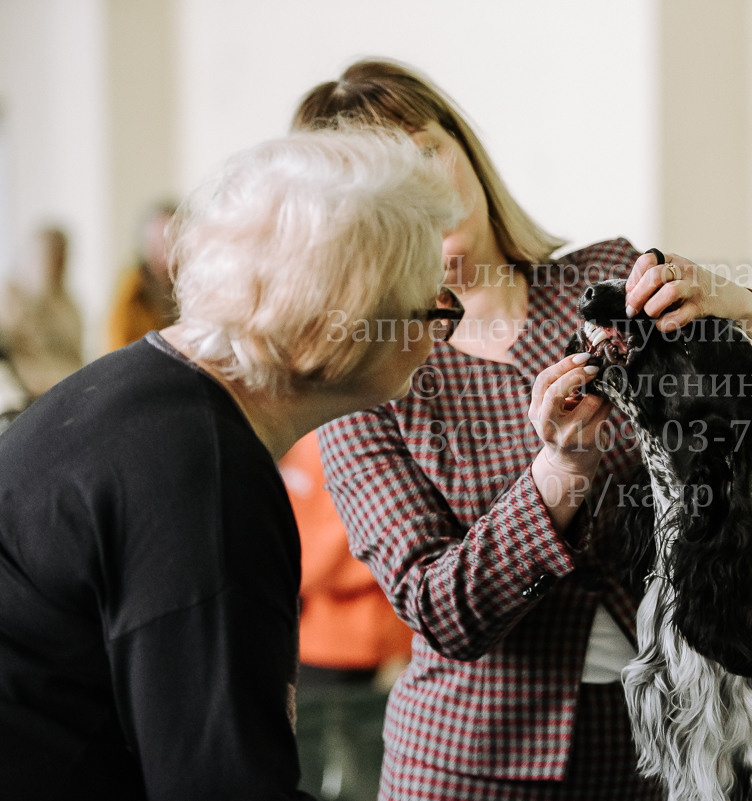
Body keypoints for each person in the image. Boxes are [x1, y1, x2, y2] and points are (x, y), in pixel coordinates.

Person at [293, 58, 752, 800]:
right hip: (468, 764)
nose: (423, 186)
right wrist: (557, 476)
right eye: (387, 178)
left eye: (428, 151)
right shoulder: (363, 381)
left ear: (466, 151)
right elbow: (437, 608)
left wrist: (745, 311)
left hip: (666, 744)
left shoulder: (608, 284)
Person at [0, 125, 461, 800]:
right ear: (337, 325)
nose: (442, 331)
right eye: (428, 307)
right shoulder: (205, 481)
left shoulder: (134, 391)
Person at [279, 429, 414, 801]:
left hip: (376, 649)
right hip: (317, 648)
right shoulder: (307, 442)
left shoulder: (380, 441)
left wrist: (402, 652)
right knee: (310, 770)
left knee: (369, 774)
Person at [0, 224, 83, 396]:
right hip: (29, 390)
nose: (57, 264)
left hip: (69, 384)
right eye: (50, 256)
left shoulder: (68, 305)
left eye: (61, 257)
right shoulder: (10, 298)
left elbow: (76, 356)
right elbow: (14, 358)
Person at [106, 200, 178, 351]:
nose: (165, 251)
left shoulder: (195, 284)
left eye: (173, 241)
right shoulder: (131, 288)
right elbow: (117, 345)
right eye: (158, 242)